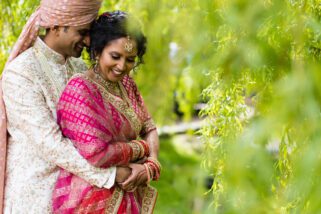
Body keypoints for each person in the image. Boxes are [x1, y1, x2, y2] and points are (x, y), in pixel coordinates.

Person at [0, 1, 131, 213]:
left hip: (79, 198)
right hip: (35, 201)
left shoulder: (80, 68)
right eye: (82, 32)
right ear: (55, 26)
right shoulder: (21, 73)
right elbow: (51, 143)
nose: (88, 41)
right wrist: (111, 175)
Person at [51, 11, 161, 214]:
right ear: (97, 51)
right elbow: (97, 154)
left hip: (128, 189)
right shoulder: (80, 89)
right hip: (90, 198)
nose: (122, 66)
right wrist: (142, 148)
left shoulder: (127, 84)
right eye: (115, 56)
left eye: (130, 59)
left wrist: (150, 166)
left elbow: (149, 126)